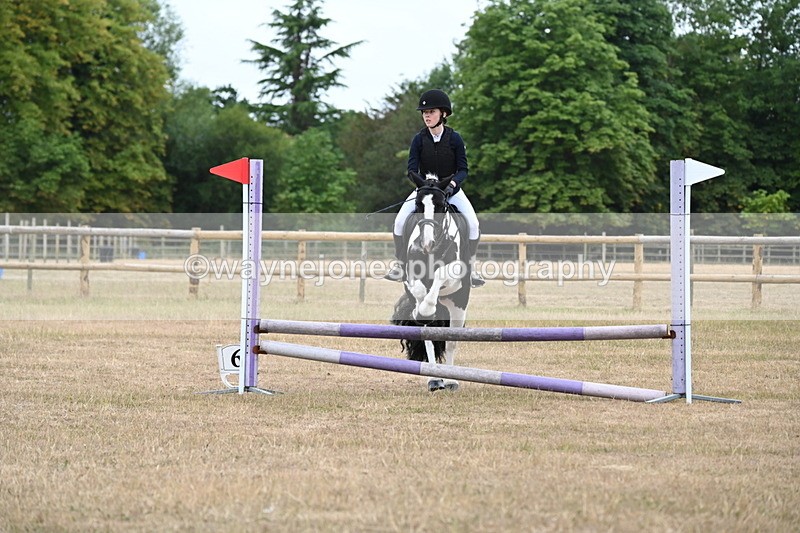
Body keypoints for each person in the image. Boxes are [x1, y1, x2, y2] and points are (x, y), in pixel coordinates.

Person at [384, 89, 484, 287]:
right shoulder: (419, 140)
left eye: (431, 112)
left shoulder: (455, 139)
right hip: (425, 191)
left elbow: (463, 169)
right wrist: (424, 186)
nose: (426, 116)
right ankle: (400, 265)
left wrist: (452, 185)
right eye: (424, 112)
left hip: (451, 191)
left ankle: (470, 268)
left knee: (473, 225)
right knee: (399, 222)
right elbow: (411, 169)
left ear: (443, 114)